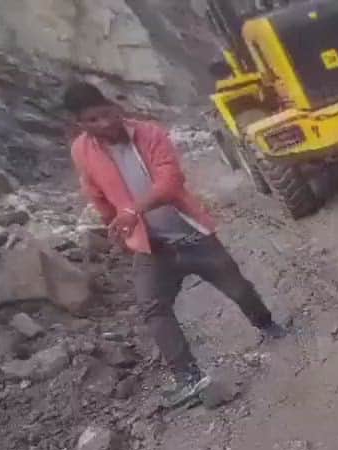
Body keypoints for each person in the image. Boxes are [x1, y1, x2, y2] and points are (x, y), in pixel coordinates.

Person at [63, 82, 286, 409]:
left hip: (191, 235)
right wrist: (118, 228)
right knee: (152, 307)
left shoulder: (150, 133)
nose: (105, 123)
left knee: (237, 288)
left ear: (115, 106)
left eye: (106, 113)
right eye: (93, 120)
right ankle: (188, 377)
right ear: (80, 124)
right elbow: (96, 194)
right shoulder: (81, 151)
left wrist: (131, 212)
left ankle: (266, 324)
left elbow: (169, 183)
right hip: (151, 247)